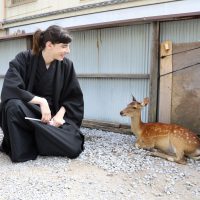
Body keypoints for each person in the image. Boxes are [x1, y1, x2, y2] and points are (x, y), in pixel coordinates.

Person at [0, 25, 84, 162]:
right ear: (49, 45)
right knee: (12, 105)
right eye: (64, 46)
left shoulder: (67, 65)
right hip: (29, 116)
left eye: (68, 46)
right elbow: (11, 88)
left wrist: (59, 116)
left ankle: (33, 139)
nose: (68, 51)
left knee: (74, 147)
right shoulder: (24, 58)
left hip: (53, 121)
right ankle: (33, 143)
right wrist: (41, 101)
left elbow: (73, 98)